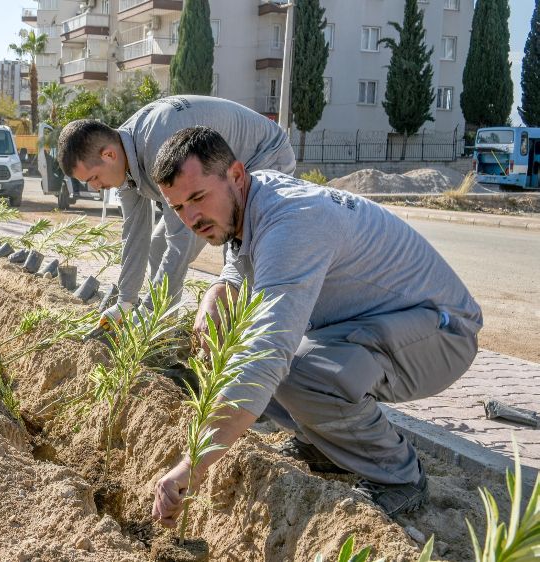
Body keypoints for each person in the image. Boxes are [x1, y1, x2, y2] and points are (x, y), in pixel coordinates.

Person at [148, 127, 482, 523]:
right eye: (178, 207)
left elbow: (266, 357)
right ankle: (327, 446)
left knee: (290, 367)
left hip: (441, 333)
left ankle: (398, 477)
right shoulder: (252, 195)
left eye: (198, 198)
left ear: (236, 175)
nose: (191, 218)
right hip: (376, 323)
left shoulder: (293, 223)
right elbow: (243, 251)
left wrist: (195, 462)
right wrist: (220, 288)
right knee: (241, 345)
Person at [57, 96, 296, 328]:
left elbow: (182, 239)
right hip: (217, 169)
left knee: (236, 251)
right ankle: (165, 333)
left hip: (263, 154)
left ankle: (241, 341)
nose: (95, 187)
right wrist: (126, 302)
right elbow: (134, 234)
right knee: (158, 245)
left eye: (94, 178)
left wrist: (150, 309)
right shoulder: (123, 156)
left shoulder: (159, 149)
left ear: (108, 155)